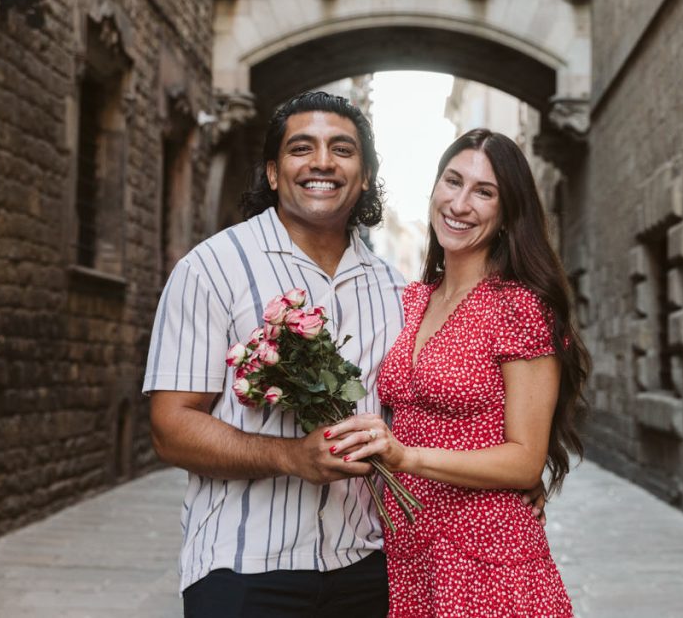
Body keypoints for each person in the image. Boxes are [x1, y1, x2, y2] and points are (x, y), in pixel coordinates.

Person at [142, 92, 401, 617]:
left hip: (368, 567)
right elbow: (170, 427)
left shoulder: (396, 292)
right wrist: (290, 457)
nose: (322, 162)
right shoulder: (212, 268)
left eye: (343, 149)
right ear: (274, 173)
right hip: (243, 569)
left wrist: (513, 481)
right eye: (301, 148)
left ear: (367, 174)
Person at [328, 128, 590, 617]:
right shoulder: (412, 300)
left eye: (484, 192)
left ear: (508, 215)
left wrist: (405, 456)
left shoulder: (519, 308)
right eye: (453, 181)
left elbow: (524, 461)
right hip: (409, 557)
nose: (460, 203)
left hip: (488, 561)